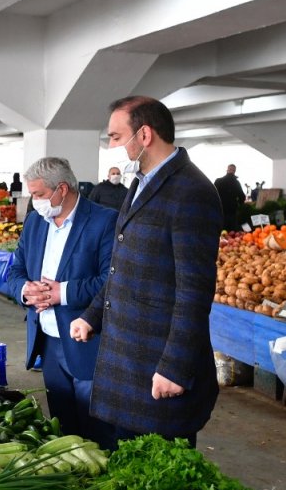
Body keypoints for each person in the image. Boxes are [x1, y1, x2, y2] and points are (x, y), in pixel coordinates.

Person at [69, 96, 221, 446]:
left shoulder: (191, 191)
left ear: (145, 135)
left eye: (116, 137)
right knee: (126, 464)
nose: (111, 147)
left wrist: (175, 367)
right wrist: (93, 316)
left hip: (157, 366)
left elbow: (194, 291)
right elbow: (122, 265)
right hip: (127, 360)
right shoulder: (141, 183)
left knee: (159, 475)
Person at [4, 157, 117, 444]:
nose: (35, 201)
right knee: (63, 425)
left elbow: (111, 280)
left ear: (62, 189)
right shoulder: (35, 222)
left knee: (94, 429)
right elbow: (15, 270)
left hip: (86, 342)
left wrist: (61, 293)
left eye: (40, 194)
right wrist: (25, 290)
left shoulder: (104, 221)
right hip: (48, 340)